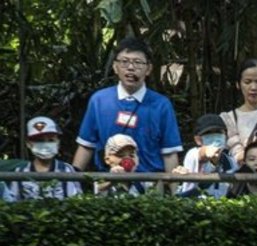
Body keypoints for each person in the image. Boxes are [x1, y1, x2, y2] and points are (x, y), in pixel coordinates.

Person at [73, 36, 183, 179]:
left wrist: (174, 198)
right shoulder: (99, 100)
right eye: (124, 62)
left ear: (148, 68)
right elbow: (86, 145)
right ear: (115, 66)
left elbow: (169, 153)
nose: (130, 68)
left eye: (137, 62)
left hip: (150, 186)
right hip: (107, 183)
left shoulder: (161, 105)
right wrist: (72, 185)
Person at [4, 116, 81, 202]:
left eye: (51, 140)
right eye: (39, 140)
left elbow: (76, 202)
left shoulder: (67, 170)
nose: (45, 144)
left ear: (58, 143)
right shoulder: (20, 172)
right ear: (29, 144)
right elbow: (13, 204)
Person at [173, 114, 238, 198]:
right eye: (208, 133)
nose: (214, 135)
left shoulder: (231, 162)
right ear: (198, 140)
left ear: (225, 135)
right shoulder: (192, 154)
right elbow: (201, 154)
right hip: (194, 207)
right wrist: (207, 151)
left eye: (218, 132)